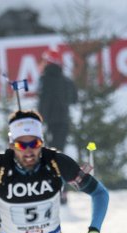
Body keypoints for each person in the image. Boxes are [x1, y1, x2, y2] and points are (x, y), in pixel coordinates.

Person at [36, 49, 79, 204]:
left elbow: (43, 104)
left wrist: (40, 121)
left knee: (47, 158)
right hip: (63, 124)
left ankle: (51, 191)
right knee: (60, 156)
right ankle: (63, 192)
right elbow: (74, 99)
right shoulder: (66, 80)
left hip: (48, 125)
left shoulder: (45, 80)